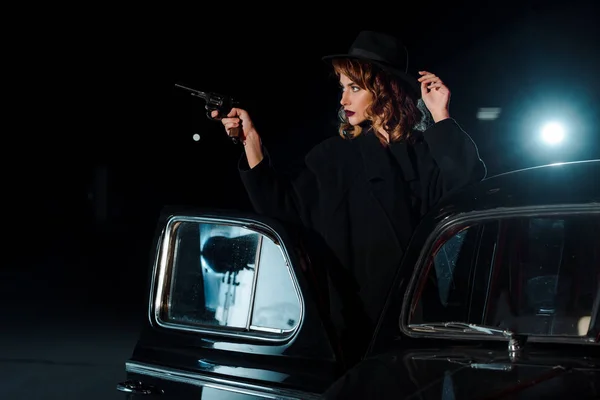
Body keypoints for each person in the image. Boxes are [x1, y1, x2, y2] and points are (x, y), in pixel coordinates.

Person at [211, 30, 487, 366]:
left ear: (383, 88)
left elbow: (467, 187)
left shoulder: (422, 151)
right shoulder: (333, 157)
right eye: (342, 88)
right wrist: (250, 139)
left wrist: (440, 116)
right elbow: (280, 204)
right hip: (355, 330)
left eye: (354, 88)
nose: (343, 100)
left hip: (418, 325)